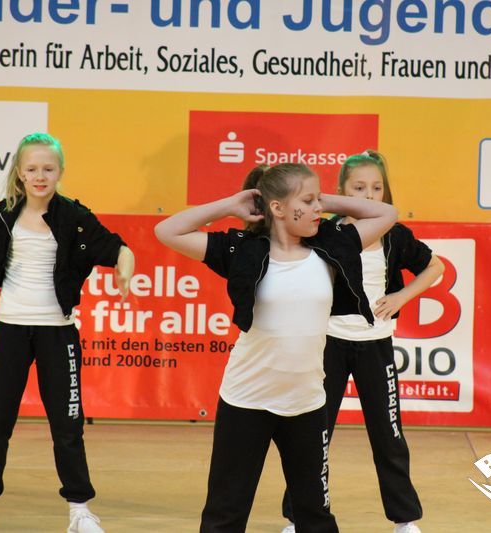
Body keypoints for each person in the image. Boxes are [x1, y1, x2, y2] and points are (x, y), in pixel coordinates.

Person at [154, 163, 397, 533]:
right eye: (308, 201)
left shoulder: (331, 245)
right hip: (246, 401)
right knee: (225, 514)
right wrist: (230, 205)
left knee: (315, 516)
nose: (318, 208)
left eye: (318, 200)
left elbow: (387, 213)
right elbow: (166, 230)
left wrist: (322, 200)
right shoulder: (242, 250)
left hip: (306, 403)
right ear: (278, 208)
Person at [0, 132, 134, 533]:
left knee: (67, 427)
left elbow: (120, 248)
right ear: (20, 173)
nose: (40, 176)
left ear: (60, 172)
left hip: (57, 334)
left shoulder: (74, 218)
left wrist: (124, 270)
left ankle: (80, 513)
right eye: (32, 169)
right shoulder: (1, 215)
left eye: (48, 168)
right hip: (11, 330)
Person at [281, 151, 444, 533]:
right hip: (329, 345)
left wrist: (402, 297)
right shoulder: (324, 232)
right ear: (341, 191)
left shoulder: (395, 235)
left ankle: (404, 520)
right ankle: (298, 517)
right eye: (358, 188)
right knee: (314, 433)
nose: (368, 195)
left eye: (376, 188)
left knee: (388, 435)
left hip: (376, 346)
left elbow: (434, 267)